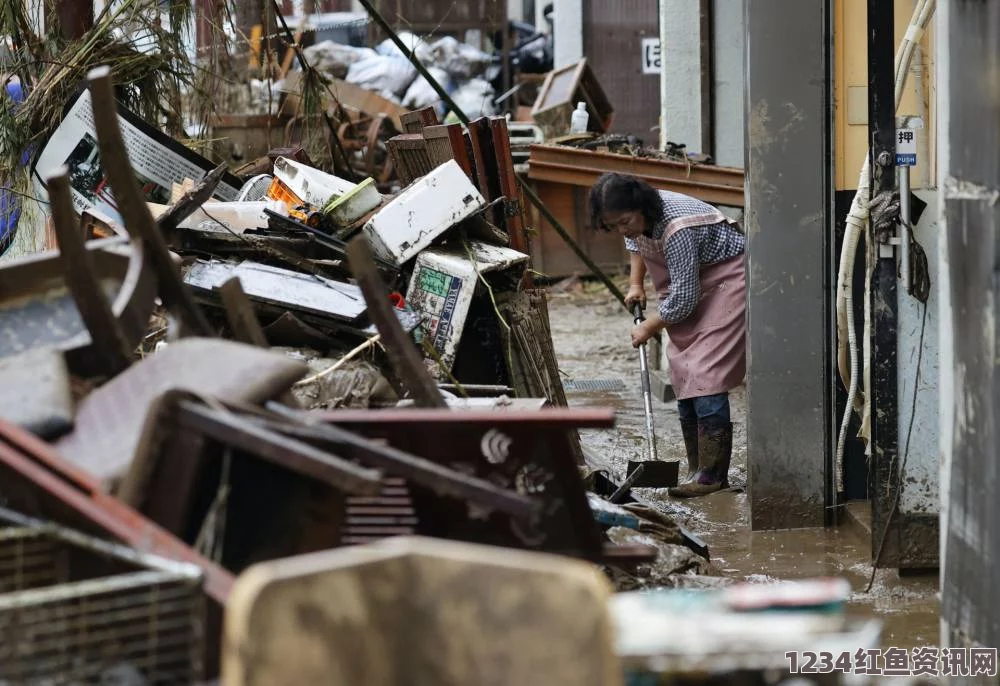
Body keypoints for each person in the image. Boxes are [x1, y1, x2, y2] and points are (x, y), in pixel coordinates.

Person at [588, 172, 747, 498]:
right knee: (684, 369)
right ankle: (696, 467)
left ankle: (712, 475)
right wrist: (635, 284)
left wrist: (648, 326)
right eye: (613, 225)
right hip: (691, 282)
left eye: (624, 221)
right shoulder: (639, 219)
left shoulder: (678, 229)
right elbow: (635, 241)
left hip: (727, 278)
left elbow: (685, 299)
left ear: (640, 206)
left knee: (706, 371)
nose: (622, 229)